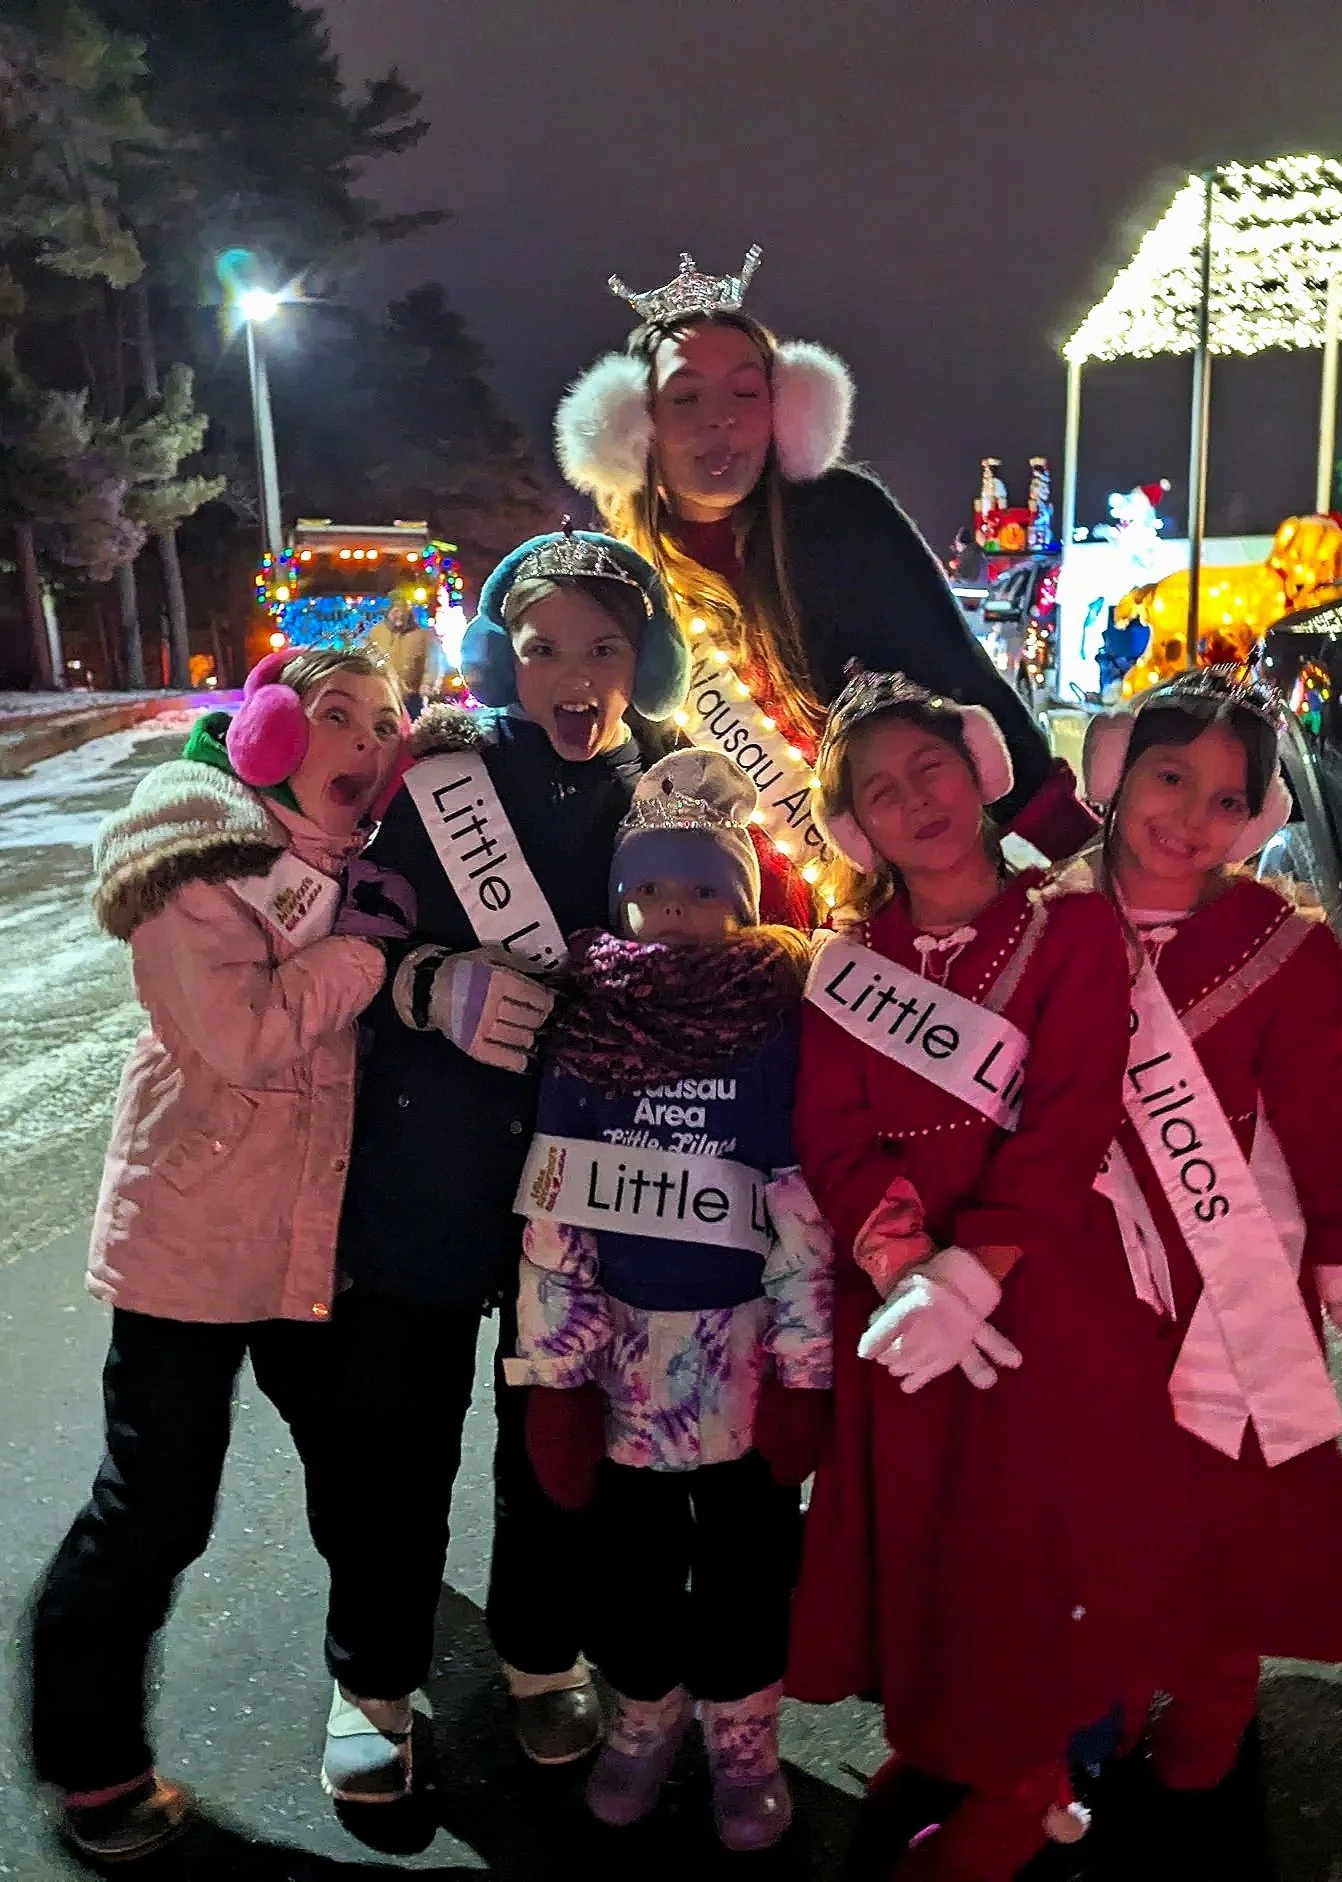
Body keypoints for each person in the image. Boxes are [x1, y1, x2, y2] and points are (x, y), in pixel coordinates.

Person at [317, 528, 692, 1802]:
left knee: (554, 1436)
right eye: (541, 649)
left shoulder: (672, 788)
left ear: (646, 658)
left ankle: (540, 1653)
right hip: (427, 1163)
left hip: (583, 1176)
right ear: (497, 658)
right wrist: (428, 983)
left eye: (604, 646)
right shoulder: (438, 782)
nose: (573, 674)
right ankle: (370, 1672)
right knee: (395, 1436)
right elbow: (342, 945)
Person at [785, 666, 1174, 1881]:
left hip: (1043, 1288)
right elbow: (832, 1132)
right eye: (881, 790)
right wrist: (905, 1266)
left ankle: (1036, 1772)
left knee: (1035, 1536)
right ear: (857, 828)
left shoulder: (1072, 927)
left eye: (931, 767)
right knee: (933, 1537)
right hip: (903, 1299)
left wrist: (971, 1276)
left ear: (980, 770)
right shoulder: (849, 960)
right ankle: (959, 1735)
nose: (916, 800)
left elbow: (1068, 1120)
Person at [26, 647, 407, 1865]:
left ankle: (379, 1679)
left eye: (385, 722)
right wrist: (369, 958)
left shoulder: (348, 863)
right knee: (154, 1510)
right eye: (335, 715)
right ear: (271, 737)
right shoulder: (196, 857)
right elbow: (244, 1036)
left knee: (363, 1463)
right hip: (191, 1244)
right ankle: (91, 1765)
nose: (363, 740)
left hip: (311, 1242)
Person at [1076, 669, 1342, 1840]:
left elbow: (1318, 1124)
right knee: (1093, 1495)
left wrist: (1341, 1263)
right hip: (1088, 1271)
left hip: (1226, 1272)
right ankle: (1105, 1685)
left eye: (1229, 798)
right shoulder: (1049, 920)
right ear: (1115, 777)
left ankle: (1215, 1689)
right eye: (1170, 776)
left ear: (1258, 818)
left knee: (1223, 1502)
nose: (1193, 816)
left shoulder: (1282, 948)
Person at [509, 747, 832, 1852]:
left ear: (738, 899)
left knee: (748, 1565)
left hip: (741, 1356)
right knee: (631, 1565)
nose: (675, 911)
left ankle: (744, 1737)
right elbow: (556, 1221)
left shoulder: (773, 1026)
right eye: (653, 889)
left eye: (702, 889)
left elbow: (798, 1210)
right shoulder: (589, 1023)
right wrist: (553, 1382)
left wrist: (804, 1368)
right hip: (624, 1367)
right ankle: (643, 1716)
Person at [553, 245, 1098, 877]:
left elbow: (958, 675)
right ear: (634, 423)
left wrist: (1080, 847)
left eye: (745, 392)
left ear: (783, 409)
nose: (721, 419)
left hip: (904, 878)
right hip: (731, 896)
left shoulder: (845, 517)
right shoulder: (621, 576)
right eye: (686, 398)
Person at [366, 594, 442, 718]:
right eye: (395, 611)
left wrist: (427, 686)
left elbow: (433, 663)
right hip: (384, 697)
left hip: (413, 698)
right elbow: (369, 661)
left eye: (403, 611)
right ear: (387, 612)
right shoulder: (376, 634)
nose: (400, 615)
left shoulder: (423, 635)